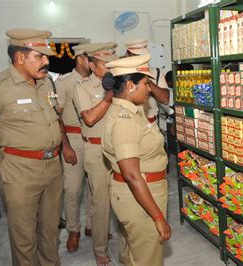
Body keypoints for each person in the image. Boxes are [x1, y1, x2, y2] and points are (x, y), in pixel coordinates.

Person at [0, 28, 68, 265]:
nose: (47, 61)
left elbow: (55, 119)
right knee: (24, 237)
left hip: (53, 167)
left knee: (50, 232)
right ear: (20, 57)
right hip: (19, 170)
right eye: (40, 56)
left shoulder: (47, 83)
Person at [101, 54, 171, 266]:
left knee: (137, 255)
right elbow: (131, 174)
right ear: (130, 86)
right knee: (148, 259)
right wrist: (157, 217)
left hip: (144, 192)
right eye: (145, 83)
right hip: (141, 196)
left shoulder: (133, 112)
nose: (149, 89)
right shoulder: (125, 120)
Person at [73, 42, 118, 265]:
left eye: (113, 62)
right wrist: (109, 95)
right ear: (91, 65)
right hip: (97, 150)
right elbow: (89, 118)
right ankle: (100, 250)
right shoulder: (83, 87)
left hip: (120, 149)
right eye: (105, 63)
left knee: (125, 197)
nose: (111, 67)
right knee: (101, 203)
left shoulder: (120, 82)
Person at [55, 43, 94, 252]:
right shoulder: (65, 82)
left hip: (95, 140)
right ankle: (73, 230)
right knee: (72, 189)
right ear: (80, 59)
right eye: (91, 58)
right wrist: (66, 146)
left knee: (95, 187)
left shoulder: (98, 80)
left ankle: (91, 225)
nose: (95, 62)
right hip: (74, 140)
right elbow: (56, 116)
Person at [123, 39, 170, 127]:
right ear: (128, 55)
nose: (141, 60)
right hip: (128, 125)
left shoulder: (156, 72)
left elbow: (165, 99)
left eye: (143, 56)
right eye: (137, 56)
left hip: (150, 124)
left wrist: (145, 77)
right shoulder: (121, 74)